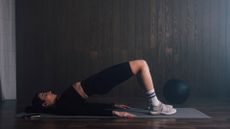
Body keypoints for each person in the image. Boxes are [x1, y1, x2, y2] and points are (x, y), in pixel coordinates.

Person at [29, 59, 176, 118]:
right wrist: (114, 113)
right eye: (44, 95)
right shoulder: (62, 107)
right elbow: (86, 111)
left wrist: (112, 105)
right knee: (141, 64)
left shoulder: (62, 102)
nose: (47, 92)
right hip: (100, 82)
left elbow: (87, 105)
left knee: (140, 67)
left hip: (99, 81)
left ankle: (154, 103)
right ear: (45, 104)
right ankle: (156, 104)